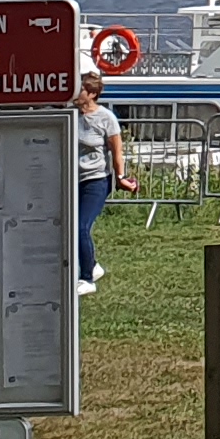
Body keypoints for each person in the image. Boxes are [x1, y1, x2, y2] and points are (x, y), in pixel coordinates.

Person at [71, 73, 134, 297]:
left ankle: (87, 279)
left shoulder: (106, 118)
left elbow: (117, 153)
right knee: (70, 228)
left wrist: (121, 177)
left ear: (92, 94)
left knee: (81, 227)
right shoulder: (70, 114)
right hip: (72, 180)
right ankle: (93, 266)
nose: (75, 92)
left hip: (96, 180)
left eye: (80, 89)